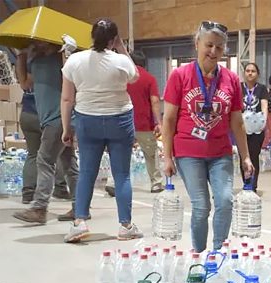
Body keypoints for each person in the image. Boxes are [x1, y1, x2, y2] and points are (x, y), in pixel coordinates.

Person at [162, 21, 255, 253]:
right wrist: (167, 157)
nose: (213, 51)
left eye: (219, 47)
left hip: (220, 152)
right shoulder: (179, 76)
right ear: (197, 44)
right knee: (201, 206)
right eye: (209, 45)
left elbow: (237, 122)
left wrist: (246, 156)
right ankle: (199, 254)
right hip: (188, 152)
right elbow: (169, 119)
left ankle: (217, 254)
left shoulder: (231, 79)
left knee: (225, 201)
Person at [59, 18, 142, 243]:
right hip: (120, 119)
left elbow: (67, 99)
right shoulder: (121, 61)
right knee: (122, 174)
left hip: (87, 120)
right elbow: (135, 76)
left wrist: (67, 128)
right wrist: (122, 48)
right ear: (113, 39)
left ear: (92, 36)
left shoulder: (75, 61)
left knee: (87, 172)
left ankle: (79, 222)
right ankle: (126, 226)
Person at [12, 42, 79, 225]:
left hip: (59, 119)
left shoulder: (59, 60)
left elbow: (72, 80)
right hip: (50, 119)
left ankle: (40, 208)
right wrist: (21, 55)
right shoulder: (36, 61)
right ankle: (79, 207)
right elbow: (25, 83)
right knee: (69, 164)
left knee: (44, 160)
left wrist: (67, 54)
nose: (34, 45)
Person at [14, 54, 70, 204]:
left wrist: (21, 56)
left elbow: (24, 84)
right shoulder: (55, 61)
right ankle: (60, 188)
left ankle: (28, 192)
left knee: (33, 154)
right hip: (52, 115)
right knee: (58, 154)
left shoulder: (31, 60)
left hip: (28, 113)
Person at [125, 51, 163, 193]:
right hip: (144, 124)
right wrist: (158, 122)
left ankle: (113, 183)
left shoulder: (123, 78)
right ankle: (156, 183)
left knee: (120, 154)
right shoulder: (149, 78)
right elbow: (155, 101)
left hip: (123, 123)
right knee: (151, 154)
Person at [241, 62, 268, 189]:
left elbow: (264, 105)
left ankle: (253, 185)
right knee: (243, 156)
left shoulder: (261, 88)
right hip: (242, 127)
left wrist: (264, 121)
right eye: (247, 71)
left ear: (257, 74)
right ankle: (246, 183)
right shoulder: (239, 87)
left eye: (253, 71)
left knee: (253, 155)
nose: (250, 73)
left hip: (256, 128)